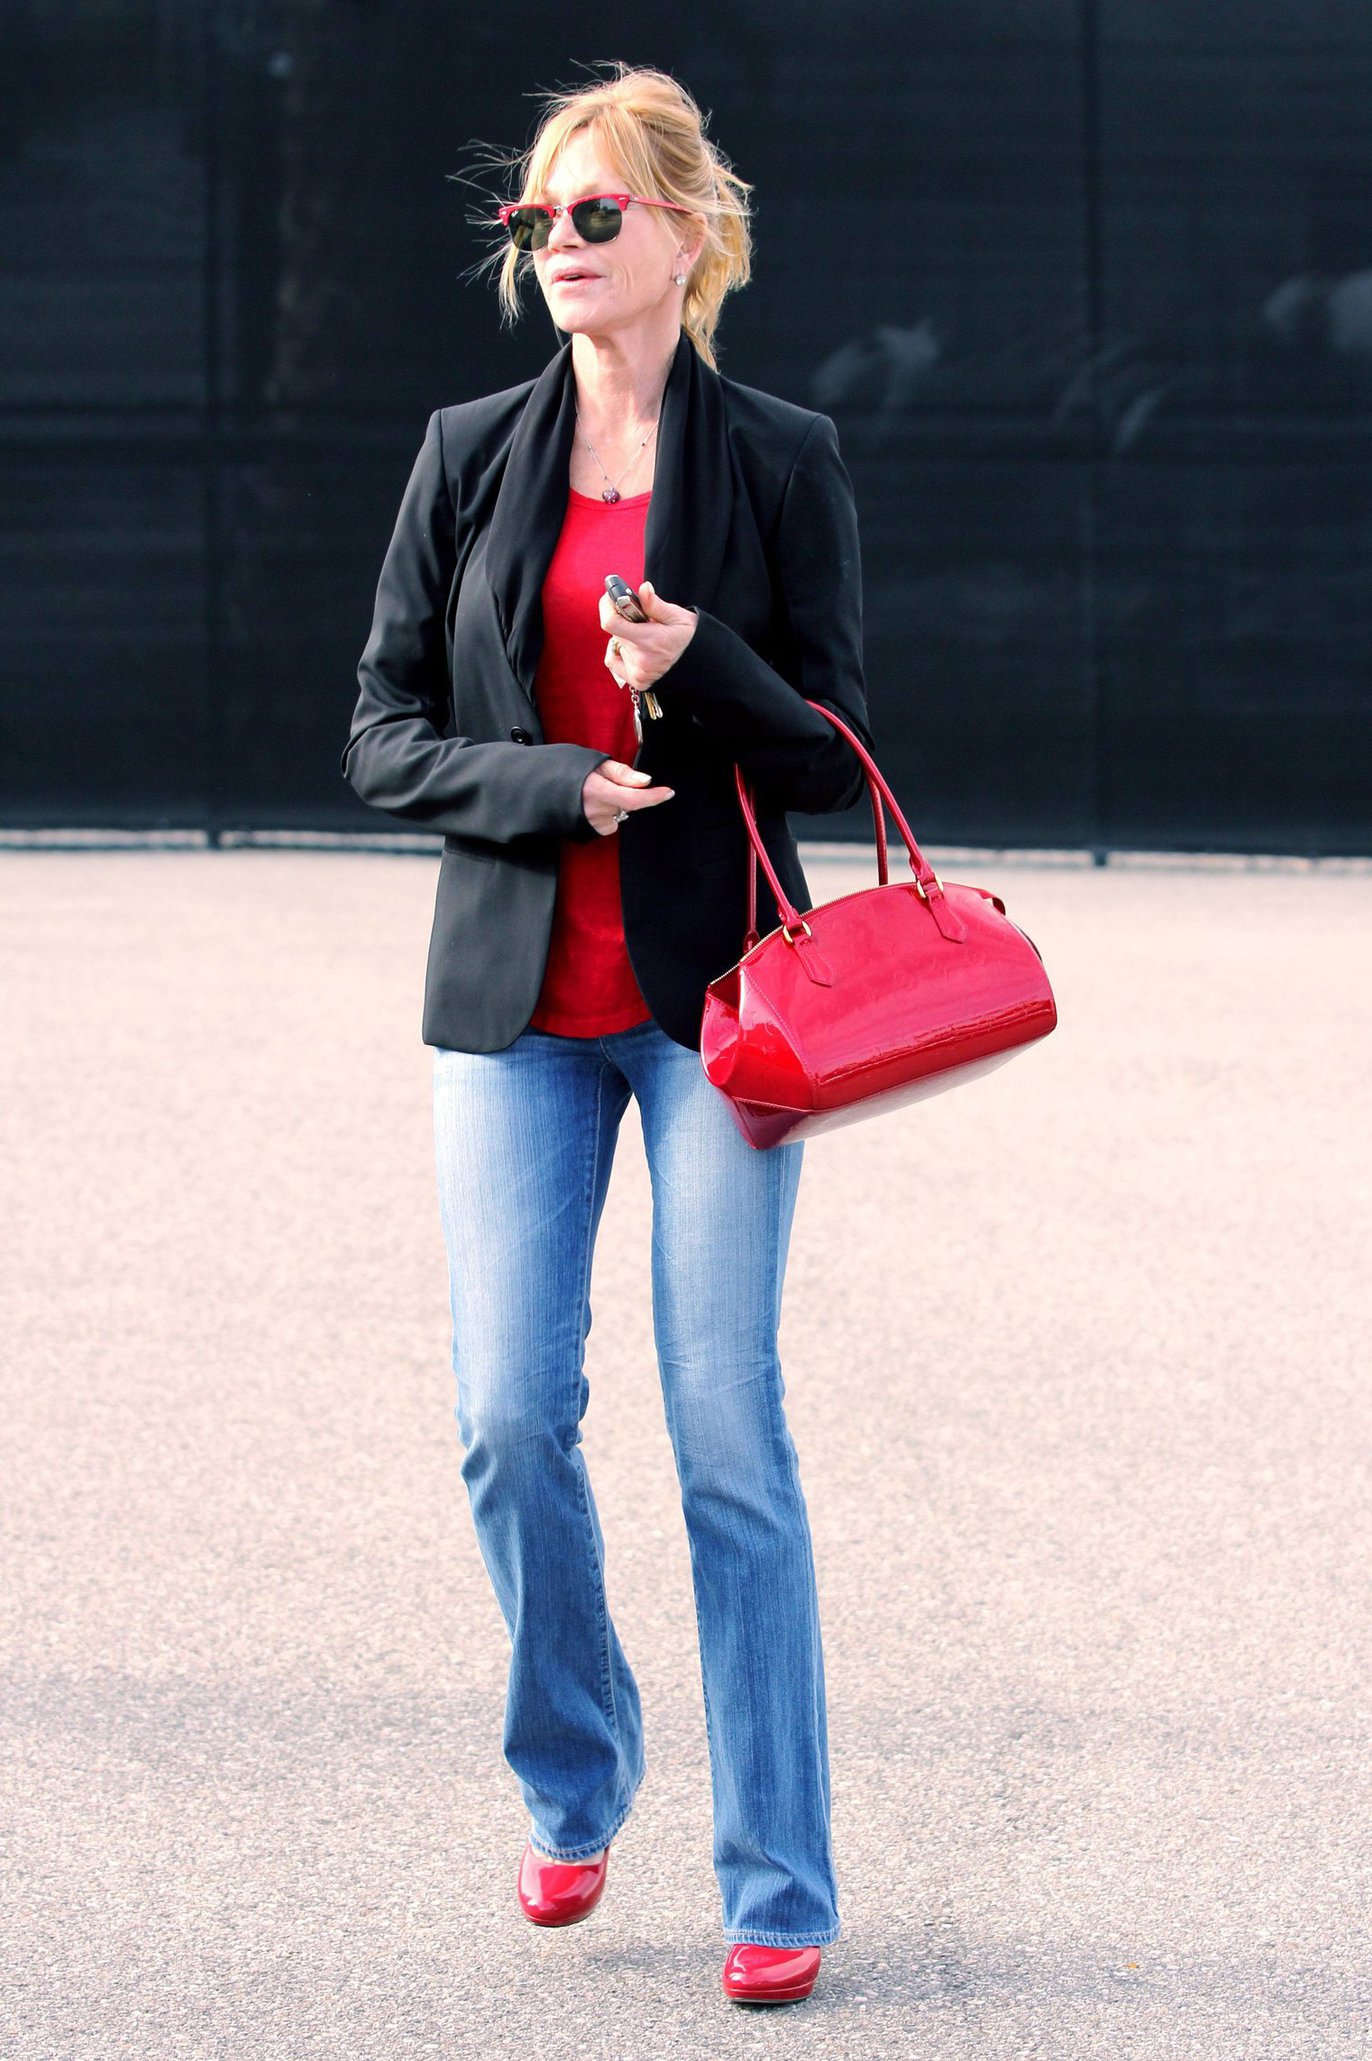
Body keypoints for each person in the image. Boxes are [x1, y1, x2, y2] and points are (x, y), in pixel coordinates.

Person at [341, 62, 872, 2008]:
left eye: (593, 214)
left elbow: (830, 741)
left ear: (682, 233)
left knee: (725, 1431)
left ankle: (776, 1869)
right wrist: (558, 778)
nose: (558, 245)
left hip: (714, 998)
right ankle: (576, 1771)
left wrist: (698, 666)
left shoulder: (781, 455)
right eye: (535, 220)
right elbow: (379, 729)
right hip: (511, 1004)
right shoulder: (465, 449)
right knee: (505, 1417)